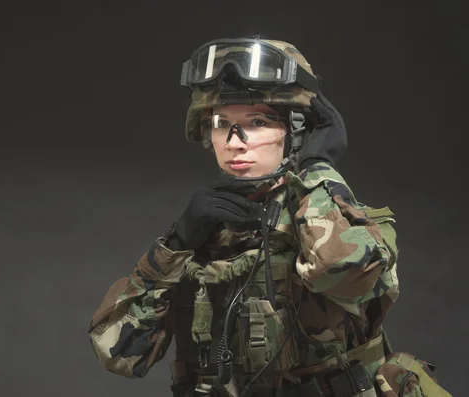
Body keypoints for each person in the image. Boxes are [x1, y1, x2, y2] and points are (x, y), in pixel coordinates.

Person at [88, 38, 449, 397]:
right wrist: (177, 244)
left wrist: (317, 168)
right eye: (220, 122)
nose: (234, 141)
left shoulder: (340, 223)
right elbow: (119, 355)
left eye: (257, 121)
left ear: (295, 129)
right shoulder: (203, 234)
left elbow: (342, 271)